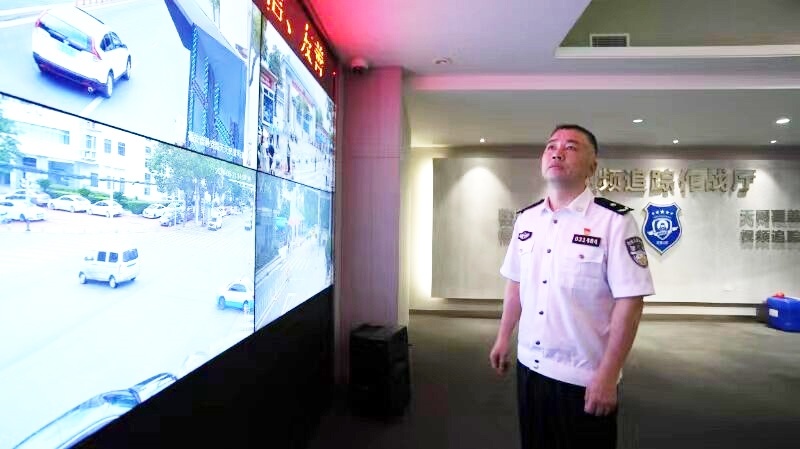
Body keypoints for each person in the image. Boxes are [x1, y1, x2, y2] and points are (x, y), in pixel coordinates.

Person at [489, 124, 655, 449]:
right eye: (551, 146)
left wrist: (609, 374)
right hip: (530, 366)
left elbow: (631, 303)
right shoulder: (527, 220)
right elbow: (516, 284)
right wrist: (503, 337)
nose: (557, 152)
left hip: (583, 377)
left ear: (592, 166)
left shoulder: (614, 222)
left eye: (571, 147)